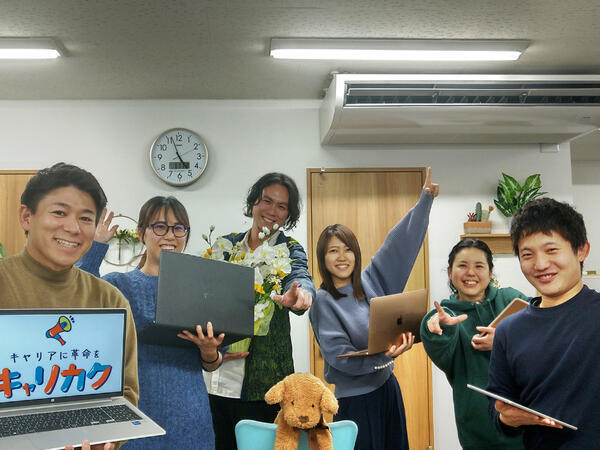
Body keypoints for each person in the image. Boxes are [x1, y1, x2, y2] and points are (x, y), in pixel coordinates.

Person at [0, 163, 138, 450]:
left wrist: (109, 439)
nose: (73, 228)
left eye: (86, 218)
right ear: (27, 217)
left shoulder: (109, 300)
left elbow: (124, 391)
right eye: (59, 212)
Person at [77, 196, 222, 449]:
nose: (170, 235)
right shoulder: (119, 285)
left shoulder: (201, 290)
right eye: (160, 227)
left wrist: (209, 351)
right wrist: (95, 245)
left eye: (179, 228)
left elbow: (213, 362)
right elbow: (79, 299)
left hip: (190, 414)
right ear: (141, 233)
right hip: (135, 412)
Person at [309, 168, 438, 450]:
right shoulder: (323, 301)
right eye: (333, 251)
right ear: (323, 258)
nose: (342, 257)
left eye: (348, 249)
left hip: (388, 389)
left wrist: (425, 200)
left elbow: (398, 245)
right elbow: (340, 357)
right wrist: (383, 358)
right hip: (357, 402)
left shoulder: (370, 281)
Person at [203, 172, 316, 450]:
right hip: (215, 377)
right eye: (267, 201)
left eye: (282, 206)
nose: (272, 211)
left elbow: (300, 277)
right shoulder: (226, 247)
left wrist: (302, 296)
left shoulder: (288, 249)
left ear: (288, 215)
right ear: (254, 203)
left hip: (263, 385)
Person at [487, 197, 600, 448]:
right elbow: (497, 413)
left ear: (581, 249)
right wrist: (510, 418)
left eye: (551, 250)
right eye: (527, 254)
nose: (540, 264)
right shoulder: (508, 330)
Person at [420, 238, 527, 450]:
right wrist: (440, 327)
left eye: (479, 266)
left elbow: (543, 331)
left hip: (527, 420)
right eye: (462, 266)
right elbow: (435, 335)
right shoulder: (445, 314)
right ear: (450, 272)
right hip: (478, 429)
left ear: (490, 272)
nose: (471, 273)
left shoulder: (510, 299)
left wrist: (504, 341)